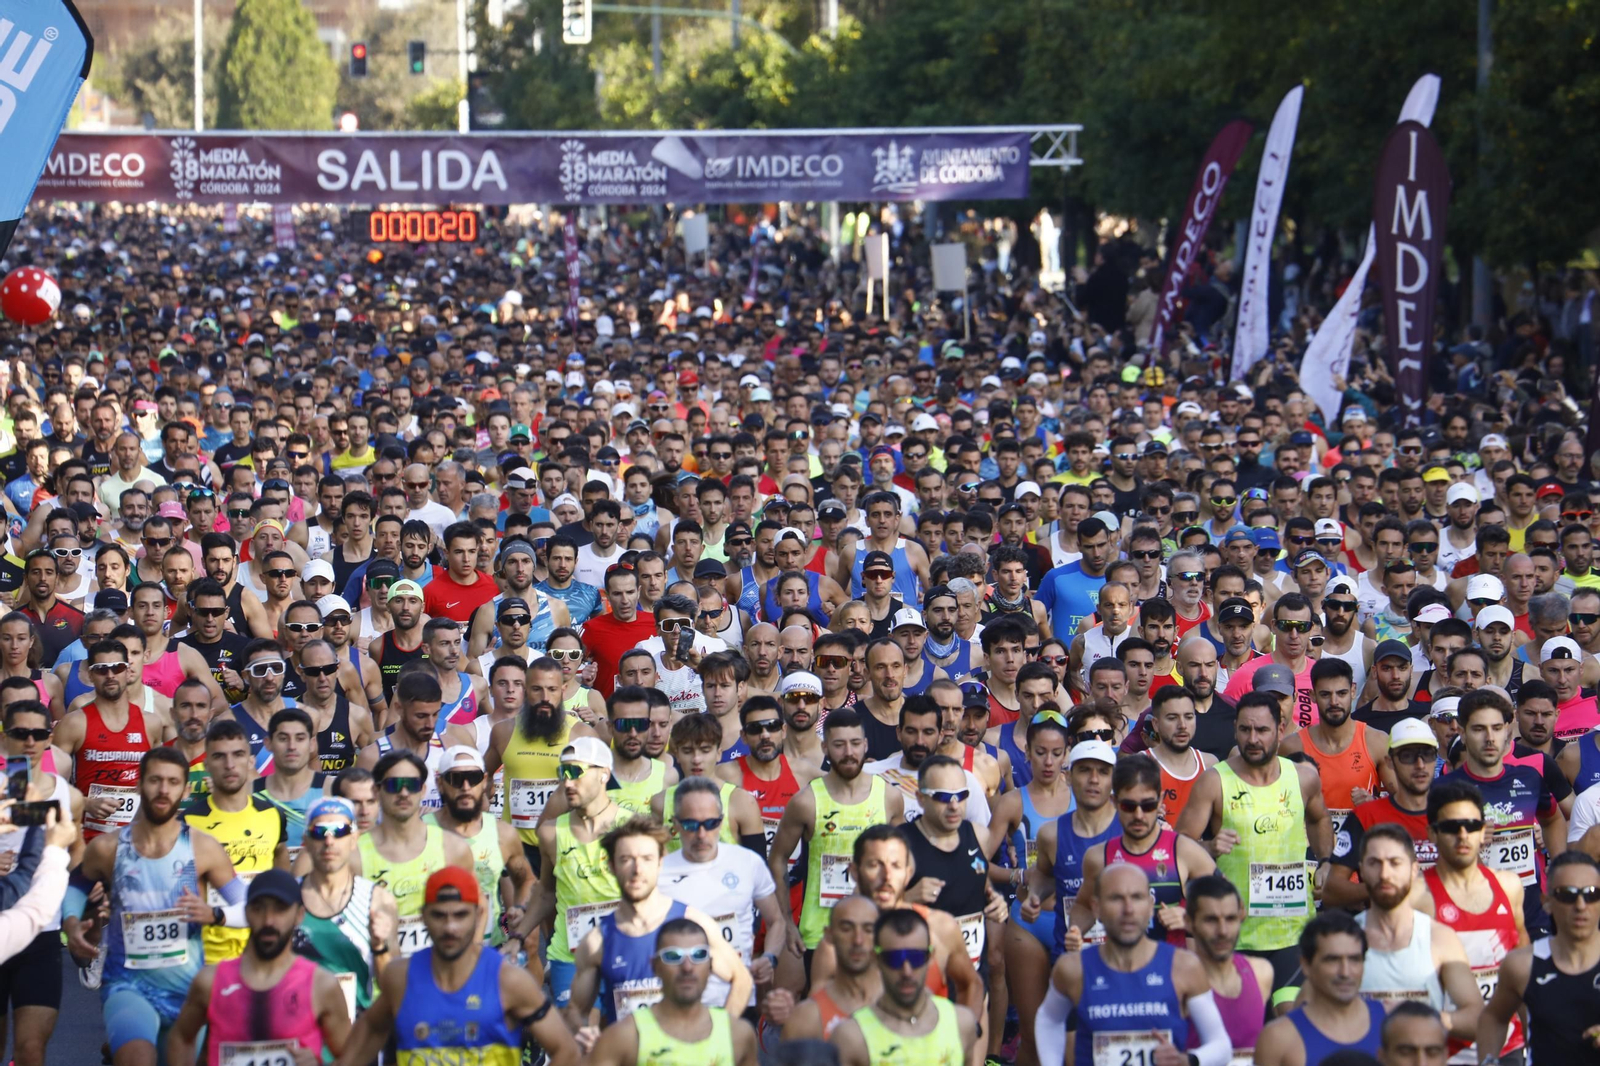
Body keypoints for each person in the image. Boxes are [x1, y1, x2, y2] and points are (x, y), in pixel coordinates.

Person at [64, 747, 246, 1066]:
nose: (163, 790)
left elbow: (248, 906)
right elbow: (76, 886)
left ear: (185, 790)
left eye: (173, 782)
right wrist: (71, 922)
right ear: (139, 785)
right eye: (155, 780)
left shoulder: (203, 848)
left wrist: (215, 914)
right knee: (138, 1058)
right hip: (127, 984)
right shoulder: (108, 847)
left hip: (186, 989)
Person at [335, 866, 580, 1066]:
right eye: (439, 915)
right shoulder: (400, 977)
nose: (450, 927)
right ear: (424, 916)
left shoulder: (509, 980)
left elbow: (567, 1051)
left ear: (478, 915)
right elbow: (371, 1032)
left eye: (460, 915)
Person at [1176, 690, 1335, 992]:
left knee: (1288, 1013)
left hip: (1293, 932)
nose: (1252, 739)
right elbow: (1178, 846)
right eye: (1245, 729)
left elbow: (1319, 819)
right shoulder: (1214, 781)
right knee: (1249, 1020)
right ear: (1234, 729)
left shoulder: (1303, 778)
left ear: (1280, 730)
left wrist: (1326, 860)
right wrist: (1208, 847)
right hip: (1233, 935)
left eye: (1262, 730)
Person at [1035, 863, 1233, 1066]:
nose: (1128, 909)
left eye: (1137, 897)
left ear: (1150, 906)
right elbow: (1048, 1020)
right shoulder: (1073, 969)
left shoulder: (1184, 967)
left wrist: (1187, 1060)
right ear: (1096, 907)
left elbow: (1221, 1045)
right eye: (1116, 898)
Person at [566, 815, 751, 1027]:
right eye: (626, 860)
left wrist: (721, 1036)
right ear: (612, 867)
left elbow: (742, 980)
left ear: (660, 863)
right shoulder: (596, 941)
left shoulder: (694, 923)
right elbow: (576, 1011)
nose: (637, 870)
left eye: (647, 859)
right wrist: (588, 1040)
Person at [165, 868, 352, 1065]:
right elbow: (181, 1037)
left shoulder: (321, 986)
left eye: (280, 909)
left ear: (299, 915)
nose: (268, 920)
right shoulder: (210, 982)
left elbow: (351, 1057)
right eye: (258, 908)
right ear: (246, 913)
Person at [767, 708, 906, 954]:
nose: (849, 752)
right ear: (825, 748)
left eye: (855, 744)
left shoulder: (889, 797)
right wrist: (786, 922)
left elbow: (904, 862)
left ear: (865, 745)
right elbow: (777, 859)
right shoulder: (806, 801)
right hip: (820, 935)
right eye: (839, 745)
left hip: (875, 931)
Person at [1414, 779, 1528, 1063]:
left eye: (1472, 825)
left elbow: (1523, 971)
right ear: (1432, 833)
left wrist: (1532, 1039)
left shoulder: (1509, 886)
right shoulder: (1416, 898)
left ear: (1483, 831)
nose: (1463, 835)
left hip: (1507, 1046)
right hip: (1446, 1051)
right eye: (1452, 827)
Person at [1439, 688, 1566, 936]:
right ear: (1462, 733)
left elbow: (1553, 820)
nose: (1490, 738)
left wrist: (1559, 868)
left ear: (1507, 730)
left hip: (1529, 912)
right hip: (1471, 914)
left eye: (1496, 728)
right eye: (1479, 729)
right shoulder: (1443, 790)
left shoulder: (1529, 778)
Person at [659, 776, 786, 1002]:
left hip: (738, 996)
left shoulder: (748, 862)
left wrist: (769, 958)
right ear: (675, 824)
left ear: (721, 821)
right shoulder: (658, 874)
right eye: (690, 825)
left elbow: (776, 921)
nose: (701, 834)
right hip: (682, 1001)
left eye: (710, 824)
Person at [1350, 824, 1481, 1039]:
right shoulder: (1343, 939)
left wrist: (1418, 1019)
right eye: (1375, 863)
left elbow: (1476, 1018)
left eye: (1395, 863)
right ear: (1362, 870)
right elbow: (1308, 1013)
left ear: (1414, 870)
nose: (1384, 874)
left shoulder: (1439, 937)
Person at [1072, 753, 1215, 946]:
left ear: (1160, 801)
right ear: (1114, 802)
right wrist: (1075, 931)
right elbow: (1084, 906)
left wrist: (1189, 918)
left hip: (1170, 963)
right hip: (1118, 963)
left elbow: (1225, 902)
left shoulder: (1183, 850)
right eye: (1129, 806)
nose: (1139, 815)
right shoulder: (1098, 856)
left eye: (1148, 805)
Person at [526, 735, 626, 1009]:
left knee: (624, 1034)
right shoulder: (550, 832)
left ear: (604, 774)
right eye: (563, 773)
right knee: (577, 1032)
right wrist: (517, 935)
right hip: (570, 957)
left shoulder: (633, 828)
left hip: (624, 953)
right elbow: (546, 892)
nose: (567, 783)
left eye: (575, 772)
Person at [1476, 851, 1600, 1066]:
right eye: (1568, 895)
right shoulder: (1522, 965)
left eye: (1591, 894)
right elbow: (1493, 1018)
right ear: (1547, 902)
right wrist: (1488, 1061)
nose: (1581, 905)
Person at [182, 718, 289, 964]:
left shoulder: (273, 815)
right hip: (208, 958)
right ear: (206, 764)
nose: (230, 765)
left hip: (263, 953)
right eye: (219, 756)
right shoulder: (187, 823)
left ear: (250, 761)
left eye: (238, 755)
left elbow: (282, 874)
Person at [583, 919, 760, 1066]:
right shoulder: (624, 1037)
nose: (687, 967)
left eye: (698, 955)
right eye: (673, 956)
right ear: (655, 966)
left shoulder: (738, 1034)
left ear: (711, 965)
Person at [352, 749, 474, 958]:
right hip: (375, 973)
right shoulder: (354, 854)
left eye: (412, 785)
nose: (404, 793)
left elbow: (474, 914)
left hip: (437, 972)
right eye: (394, 785)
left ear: (423, 790)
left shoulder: (454, 849)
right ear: (377, 790)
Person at [828, 907, 981, 1066]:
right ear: (876, 959)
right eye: (894, 959)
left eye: (916, 958)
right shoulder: (851, 1037)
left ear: (930, 958)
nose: (907, 971)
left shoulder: (961, 1024)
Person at [293, 796, 398, 1020]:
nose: (329, 841)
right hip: (298, 1025)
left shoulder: (377, 900)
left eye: (340, 831)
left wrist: (379, 948)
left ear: (354, 839)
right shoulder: (287, 898)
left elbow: (391, 985)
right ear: (306, 841)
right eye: (320, 832)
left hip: (356, 1029)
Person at [430, 745, 535, 947]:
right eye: (456, 779)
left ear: (485, 781)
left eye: (474, 778)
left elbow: (526, 880)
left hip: (489, 949)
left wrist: (520, 909)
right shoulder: (422, 830)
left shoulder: (503, 834)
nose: (466, 787)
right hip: (434, 952)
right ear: (440, 783)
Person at [1253, 912, 1386, 1066]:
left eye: (1354, 959)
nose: (1345, 972)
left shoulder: (1387, 1023)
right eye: (1332, 960)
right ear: (1306, 965)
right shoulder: (1277, 1039)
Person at [1279, 657, 1392, 838]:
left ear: (1353, 691)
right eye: (1325, 694)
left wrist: (1374, 804)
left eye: (1341, 693)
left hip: (1361, 847)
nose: (1334, 702)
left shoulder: (1376, 741)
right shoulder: (1291, 747)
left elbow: (1403, 804)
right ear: (1312, 695)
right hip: (1308, 848)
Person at [1184, 874, 1276, 1063]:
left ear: (1242, 916)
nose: (1223, 931)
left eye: (1231, 919)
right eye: (1211, 920)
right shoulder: (1175, 982)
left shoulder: (1261, 973)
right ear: (1189, 922)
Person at [762, 896, 881, 1040]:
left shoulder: (898, 1006)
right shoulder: (806, 1018)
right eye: (846, 929)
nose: (858, 940)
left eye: (868, 930)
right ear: (828, 935)